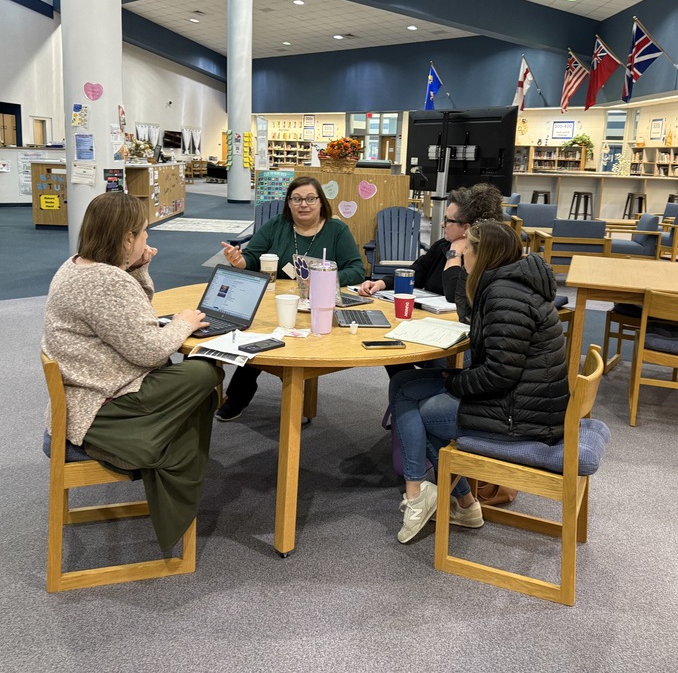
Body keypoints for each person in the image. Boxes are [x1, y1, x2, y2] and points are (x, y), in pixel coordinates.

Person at [41, 191, 221, 556]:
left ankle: (148, 439)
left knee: (199, 381)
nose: (147, 239)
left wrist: (137, 268)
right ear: (126, 239)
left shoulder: (77, 266)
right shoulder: (106, 282)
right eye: (144, 233)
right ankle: (133, 445)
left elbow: (136, 316)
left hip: (88, 390)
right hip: (100, 404)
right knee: (205, 374)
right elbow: (150, 348)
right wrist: (184, 323)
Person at [388, 221, 569, 543]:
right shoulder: (504, 283)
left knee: (419, 413)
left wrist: (455, 383)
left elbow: (501, 374)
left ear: (482, 253)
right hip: (523, 399)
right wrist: (460, 269)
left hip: (519, 415)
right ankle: (460, 503)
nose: (461, 251)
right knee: (404, 382)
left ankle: (419, 496)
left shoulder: (505, 296)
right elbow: (467, 315)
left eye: (467, 247)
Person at [218, 176, 365, 421]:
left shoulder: (337, 230)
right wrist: (239, 261)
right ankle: (238, 396)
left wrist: (323, 276)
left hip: (320, 305)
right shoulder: (277, 226)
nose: (303, 204)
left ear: (321, 202)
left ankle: (297, 396)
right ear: (288, 203)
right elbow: (252, 257)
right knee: (260, 335)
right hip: (278, 301)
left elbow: (357, 269)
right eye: (296, 199)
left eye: (310, 199)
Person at [357, 182, 504, 376]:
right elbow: (416, 271)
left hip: (467, 342)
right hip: (433, 325)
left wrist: (455, 254)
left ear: (466, 228)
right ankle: (407, 394)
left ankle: (427, 398)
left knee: (437, 362)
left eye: (448, 221)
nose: (442, 224)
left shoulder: (481, 257)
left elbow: (453, 293)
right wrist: (381, 283)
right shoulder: (442, 245)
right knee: (389, 346)